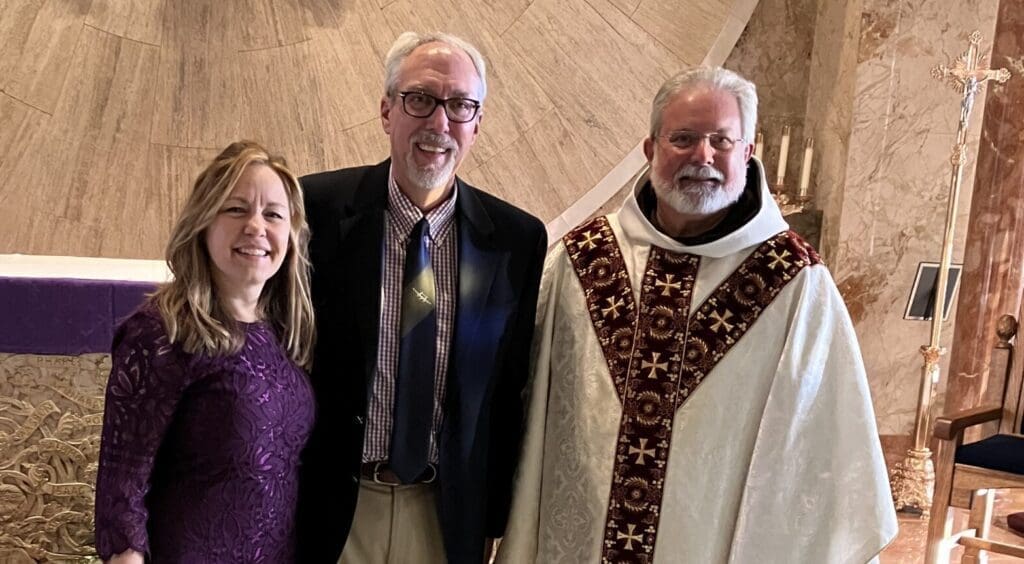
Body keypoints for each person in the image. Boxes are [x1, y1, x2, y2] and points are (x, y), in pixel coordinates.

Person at [497, 67, 898, 563]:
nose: (702, 157)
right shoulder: (584, 260)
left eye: (721, 141)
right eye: (682, 139)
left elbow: (829, 444)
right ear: (650, 150)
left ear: (748, 153)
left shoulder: (795, 284)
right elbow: (520, 395)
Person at [295, 32, 547, 563]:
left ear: (478, 123)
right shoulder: (312, 212)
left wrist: (494, 520)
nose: (439, 123)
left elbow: (507, 394)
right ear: (387, 111)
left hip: (444, 516)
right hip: (331, 510)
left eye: (460, 105)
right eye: (420, 100)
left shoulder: (515, 241)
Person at [94, 140, 316, 563]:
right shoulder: (161, 332)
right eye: (235, 209)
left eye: (273, 214)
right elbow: (122, 492)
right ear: (204, 221)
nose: (255, 226)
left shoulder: (283, 334)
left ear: (290, 234)